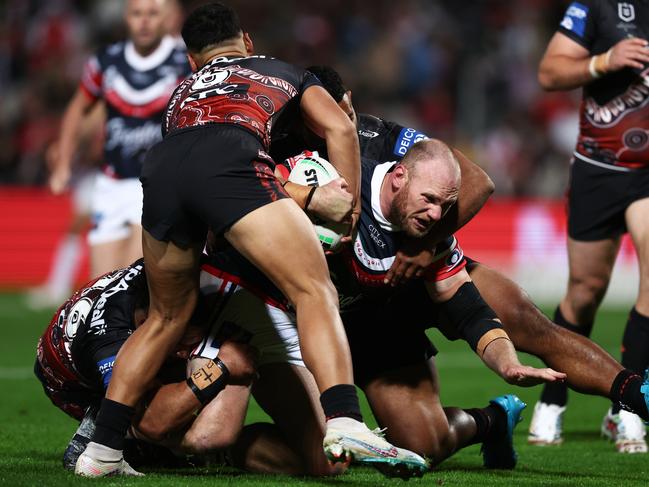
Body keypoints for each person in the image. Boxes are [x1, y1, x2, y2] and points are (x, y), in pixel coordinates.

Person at [75, 3, 428, 478]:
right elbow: (341, 127)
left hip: (161, 168)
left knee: (164, 317)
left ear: (192, 59)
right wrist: (347, 210)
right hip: (232, 157)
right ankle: (344, 419)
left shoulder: (181, 92)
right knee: (314, 290)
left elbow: (204, 198)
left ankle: (102, 452)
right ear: (247, 42)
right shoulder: (283, 71)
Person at [276, 64, 649, 456]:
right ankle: (491, 421)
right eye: (337, 117)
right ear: (309, 120)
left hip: (421, 270)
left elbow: (475, 181)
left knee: (522, 317)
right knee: (424, 442)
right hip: (359, 315)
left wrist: (426, 246)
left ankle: (635, 392)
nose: (348, 121)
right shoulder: (283, 154)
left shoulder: (377, 136)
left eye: (348, 110)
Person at [527, 0, 649, 453]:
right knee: (584, 291)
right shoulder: (599, 6)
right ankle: (552, 400)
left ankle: (628, 411)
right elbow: (549, 73)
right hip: (599, 169)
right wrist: (604, 60)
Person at [34, 259, 258, 473]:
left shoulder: (162, 278)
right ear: (143, 325)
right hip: (69, 384)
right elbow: (155, 422)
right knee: (156, 421)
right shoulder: (111, 343)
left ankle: (149, 447)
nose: (184, 353)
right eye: (180, 344)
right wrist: (220, 367)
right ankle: (102, 428)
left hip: (93, 333)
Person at [48, 0, 191, 278]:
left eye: (152, 14)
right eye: (137, 14)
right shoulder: (105, 61)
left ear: (167, 19)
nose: (145, 21)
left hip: (154, 185)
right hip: (111, 184)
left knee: (129, 280)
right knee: (101, 287)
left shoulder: (183, 61)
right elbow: (79, 108)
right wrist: (63, 160)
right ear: (126, 18)